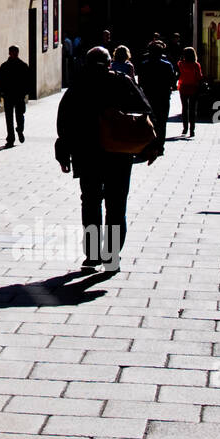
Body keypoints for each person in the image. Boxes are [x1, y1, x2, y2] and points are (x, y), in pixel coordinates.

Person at [55, 46, 159, 272]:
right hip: (118, 154)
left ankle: (92, 256)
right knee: (116, 204)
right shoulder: (121, 82)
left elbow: (64, 121)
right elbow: (145, 111)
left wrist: (63, 152)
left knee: (91, 202)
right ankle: (111, 256)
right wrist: (150, 147)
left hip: (87, 154)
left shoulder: (79, 86)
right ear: (109, 62)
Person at [137, 40, 178, 149]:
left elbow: (140, 82)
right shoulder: (167, 65)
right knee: (162, 122)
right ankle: (160, 146)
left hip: (148, 97)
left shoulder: (144, 65)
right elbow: (173, 82)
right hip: (163, 97)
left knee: (150, 121)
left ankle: (149, 144)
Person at [0, 45, 30, 147]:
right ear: (9, 53)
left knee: (20, 115)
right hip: (8, 96)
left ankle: (19, 129)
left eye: (15, 52)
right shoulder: (4, 66)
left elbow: (28, 81)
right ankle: (10, 138)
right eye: (12, 52)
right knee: (9, 118)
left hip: (18, 96)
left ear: (17, 53)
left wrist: (25, 92)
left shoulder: (23, 66)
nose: (14, 54)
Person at [177, 46, 204, 137]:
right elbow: (199, 77)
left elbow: (178, 73)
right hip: (193, 87)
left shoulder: (180, 64)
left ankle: (185, 128)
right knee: (192, 109)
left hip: (183, 87)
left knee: (185, 108)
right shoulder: (196, 65)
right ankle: (192, 130)